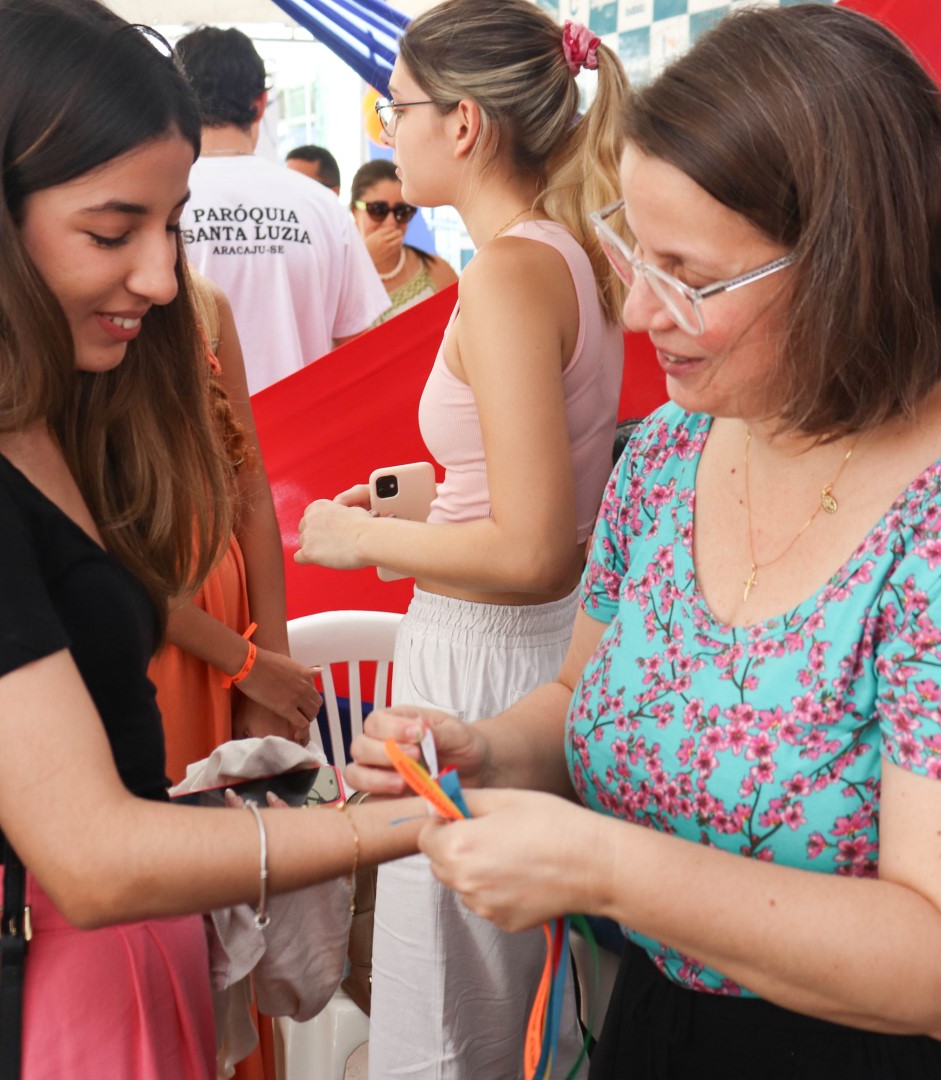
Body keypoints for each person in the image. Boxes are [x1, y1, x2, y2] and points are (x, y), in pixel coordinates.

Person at [343, 6, 941, 1078]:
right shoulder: (667, 457)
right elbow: (578, 697)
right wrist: (485, 749)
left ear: (851, 264)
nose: (643, 311)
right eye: (634, 255)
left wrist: (611, 870)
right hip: (671, 1026)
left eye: (690, 278)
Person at [0, 3, 427, 1076]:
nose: (161, 277)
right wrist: (400, 829)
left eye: (169, 226)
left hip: (118, 981)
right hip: (37, 1007)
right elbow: (88, 855)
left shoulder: (54, 418)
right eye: (110, 231)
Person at [294, 1, 628, 1074]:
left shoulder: (507, 272)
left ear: (466, 124)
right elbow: (539, 487)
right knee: (502, 997)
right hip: (518, 652)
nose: (389, 130)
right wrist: (422, 503)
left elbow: (537, 550)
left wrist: (359, 541)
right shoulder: (563, 252)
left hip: (493, 663)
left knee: (458, 1019)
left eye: (395, 108)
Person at [148, 271, 321, 778]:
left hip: (232, 637)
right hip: (158, 635)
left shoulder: (203, 304)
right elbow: (98, 557)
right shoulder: (57, 319)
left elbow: (251, 491)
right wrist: (249, 664)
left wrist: (275, 672)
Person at [176, 27, 388, 393]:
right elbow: (358, 348)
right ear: (259, 103)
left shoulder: (161, 203)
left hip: (192, 436)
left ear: (177, 99)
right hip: (307, 435)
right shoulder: (323, 207)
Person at [348, 159, 458, 324]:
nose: (391, 222)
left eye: (402, 212)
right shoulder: (338, 275)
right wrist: (363, 260)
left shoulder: (435, 268)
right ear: (355, 211)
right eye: (378, 210)